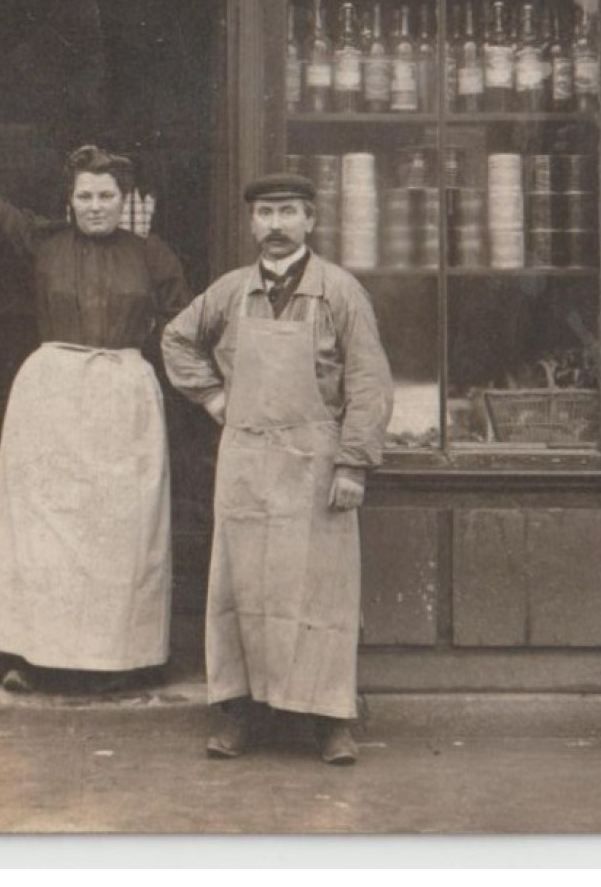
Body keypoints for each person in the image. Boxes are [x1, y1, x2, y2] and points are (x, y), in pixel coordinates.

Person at [0, 84, 192, 694]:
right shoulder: (43, 245)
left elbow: (182, 327)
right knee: (42, 529)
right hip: (53, 397)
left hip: (123, 399)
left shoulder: (153, 257)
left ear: (126, 200)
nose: (95, 206)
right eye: (84, 196)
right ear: (69, 202)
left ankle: (122, 658)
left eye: (106, 196)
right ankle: (31, 656)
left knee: (121, 530)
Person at [161, 172, 393, 765]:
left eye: (288, 212)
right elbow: (176, 340)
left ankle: (332, 720)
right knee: (242, 588)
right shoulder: (231, 291)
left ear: (311, 221)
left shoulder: (339, 292)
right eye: (265, 213)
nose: (276, 226)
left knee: (322, 592)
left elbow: (369, 381)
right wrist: (214, 399)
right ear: (251, 223)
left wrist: (354, 464)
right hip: (245, 459)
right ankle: (241, 713)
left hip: (317, 461)